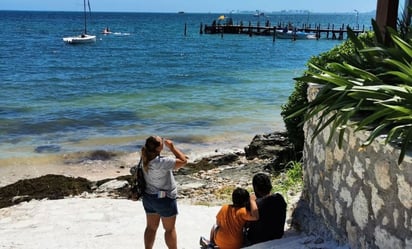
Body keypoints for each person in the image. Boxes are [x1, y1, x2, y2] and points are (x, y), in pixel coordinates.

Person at [141, 135, 188, 249]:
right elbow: (183, 161)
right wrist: (172, 147)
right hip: (163, 197)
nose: (163, 140)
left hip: (149, 197)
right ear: (158, 148)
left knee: (151, 228)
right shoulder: (162, 162)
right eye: (161, 141)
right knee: (169, 229)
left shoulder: (144, 158)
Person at [244, 173, 287, 246]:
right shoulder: (279, 199)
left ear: (255, 188)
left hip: (256, 239)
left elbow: (246, 224)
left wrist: (251, 200)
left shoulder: (253, 204)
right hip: (277, 235)